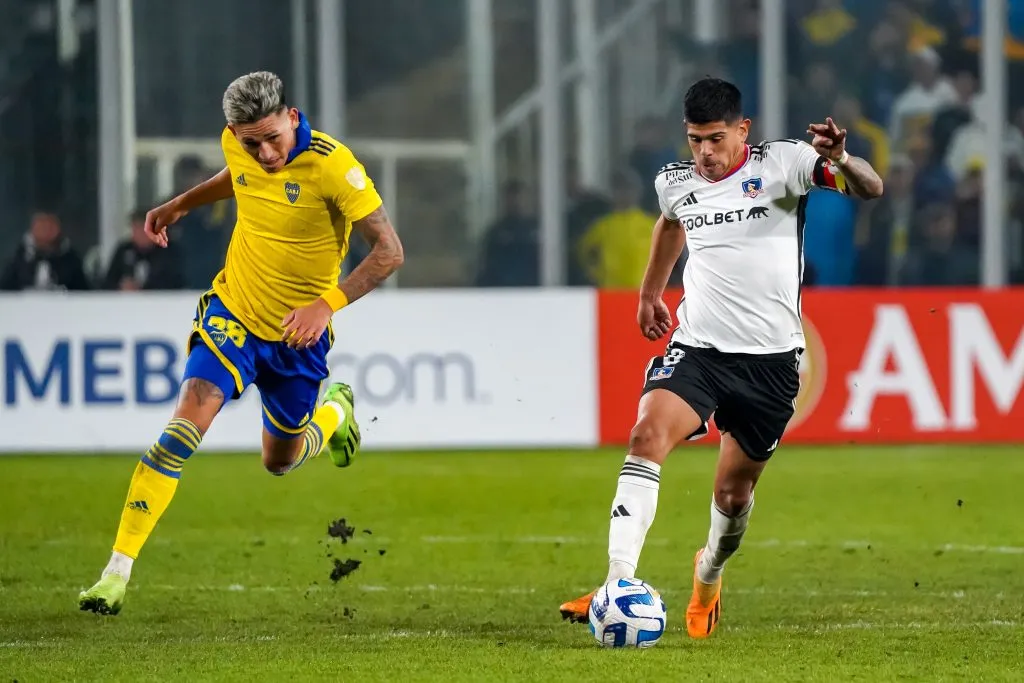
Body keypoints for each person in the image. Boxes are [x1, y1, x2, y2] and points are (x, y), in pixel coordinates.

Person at [558, 77, 883, 639]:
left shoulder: (786, 164)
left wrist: (843, 158)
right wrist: (648, 293)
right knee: (645, 438)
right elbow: (669, 225)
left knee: (734, 497)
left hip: (771, 364)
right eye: (693, 139)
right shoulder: (676, 182)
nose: (704, 152)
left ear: (742, 130)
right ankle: (617, 584)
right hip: (698, 349)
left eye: (714, 138)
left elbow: (871, 189)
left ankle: (707, 575)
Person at [78, 71, 404, 615]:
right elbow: (239, 175)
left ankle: (333, 414)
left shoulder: (334, 166)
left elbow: (389, 251)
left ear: (293, 117)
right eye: (250, 141)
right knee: (180, 431)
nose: (264, 153)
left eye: (272, 138)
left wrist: (327, 305)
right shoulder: (241, 143)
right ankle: (116, 572)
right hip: (233, 313)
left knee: (280, 460)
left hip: (299, 335)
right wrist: (182, 204)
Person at [0, 210, 89, 291]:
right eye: (41, 225)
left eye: (50, 225)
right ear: (32, 228)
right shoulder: (19, 258)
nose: (46, 230)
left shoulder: (71, 260)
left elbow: (83, 293)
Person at [103, 209, 184, 291]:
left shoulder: (168, 251)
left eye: (142, 228)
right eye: (135, 228)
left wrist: (144, 289)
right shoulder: (124, 250)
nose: (138, 232)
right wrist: (121, 287)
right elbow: (108, 282)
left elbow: (177, 282)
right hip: (127, 302)